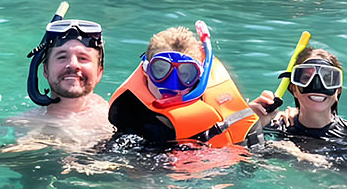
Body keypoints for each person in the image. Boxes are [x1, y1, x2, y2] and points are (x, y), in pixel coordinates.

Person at [104, 22, 258, 152]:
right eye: (161, 70)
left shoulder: (219, 112)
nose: (173, 86)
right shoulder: (130, 114)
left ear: (199, 78)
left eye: (185, 74)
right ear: (146, 70)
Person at [2, 18, 113, 151]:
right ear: (45, 70)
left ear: (99, 72)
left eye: (83, 58)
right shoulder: (22, 124)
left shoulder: (116, 120)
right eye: (62, 57)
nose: (73, 64)